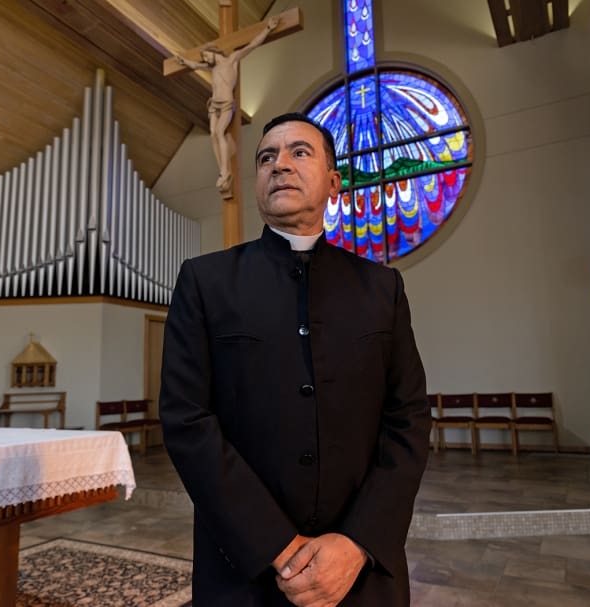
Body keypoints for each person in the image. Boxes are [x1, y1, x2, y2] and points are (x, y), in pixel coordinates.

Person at [159, 112, 430, 606]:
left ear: (333, 182)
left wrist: (358, 542)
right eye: (266, 157)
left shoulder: (381, 288)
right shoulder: (205, 282)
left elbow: (407, 418)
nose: (279, 164)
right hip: (243, 568)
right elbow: (186, 419)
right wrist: (277, 546)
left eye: (299, 152)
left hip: (362, 570)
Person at [177, 17, 280, 195]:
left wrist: (268, 29)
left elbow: (252, 45)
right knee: (213, 135)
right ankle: (223, 170)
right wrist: (184, 62)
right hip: (214, 105)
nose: (205, 59)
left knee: (219, 133)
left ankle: (225, 171)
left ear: (213, 52)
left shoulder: (232, 59)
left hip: (225, 104)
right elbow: (196, 65)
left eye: (206, 55)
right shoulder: (212, 68)